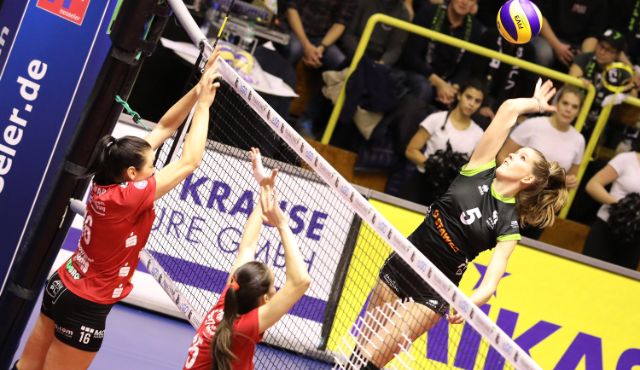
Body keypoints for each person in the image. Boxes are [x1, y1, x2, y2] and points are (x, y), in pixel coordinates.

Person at [14, 50, 223, 370]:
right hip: (85, 305)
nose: (154, 170)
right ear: (132, 174)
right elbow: (189, 161)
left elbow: (165, 127)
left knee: (27, 366)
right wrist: (205, 106)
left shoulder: (108, 178)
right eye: (151, 167)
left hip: (64, 284)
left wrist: (198, 89)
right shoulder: (129, 197)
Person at [351, 80, 568, 370]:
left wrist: (468, 303)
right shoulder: (478, 168)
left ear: (527, 180)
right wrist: (536, 105)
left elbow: (490, 283)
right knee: (357, 353)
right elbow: (507, 110)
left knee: (368, 360)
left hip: (433, 291)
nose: (513, 154)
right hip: (403, 262)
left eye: (522, 157)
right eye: (518, 151)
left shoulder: (508, 226)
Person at [182, 148, 311, 370]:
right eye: (273, 289)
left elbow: (248, 245)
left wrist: (265, 188)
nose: (275, 293)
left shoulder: (230, 299)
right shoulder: (244, 326)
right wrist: (282, 224)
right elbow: (300, 281)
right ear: (263, 300)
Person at [387, 80, 485, 204]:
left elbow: (474, 168)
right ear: (459, 95)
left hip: (448, 194)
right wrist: (435, 167)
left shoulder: (479, 134)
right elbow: (411, 150)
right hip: (421, 183)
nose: (471, 104)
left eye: (477, 101)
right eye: (468, 97)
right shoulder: (436, 119)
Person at [398, 0, 484, 107]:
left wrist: (454, 88)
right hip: (417, 74)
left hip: (448, 83)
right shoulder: (429, 12)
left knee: (464, 101)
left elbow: (465, 68)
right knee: (424, 88)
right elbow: (411, 56)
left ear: (475, 4)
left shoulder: (475, 28)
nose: (464, 2)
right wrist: (439, 83)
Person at [498, 85, 586, 190]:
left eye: (574, 106)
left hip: (547, 201)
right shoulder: (532, 125)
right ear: (556, 103)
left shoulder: (579, 140)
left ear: (579, 112)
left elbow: (571, 178)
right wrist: (519, 178)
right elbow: (502, 156)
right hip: (517, 190)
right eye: (565, 103)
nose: (568, 109)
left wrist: (569, 182)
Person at [582, 148, 640, 269]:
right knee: (587, 275)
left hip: (635, 237)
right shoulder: (626, 159)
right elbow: (593, 185)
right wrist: (622, 205)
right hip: (607, 227)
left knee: (621, 283)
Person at [569, 29, 628, 138]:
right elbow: (571, 80)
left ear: (617, 55)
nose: (602, 52)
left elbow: (632, 93)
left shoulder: (621, 73)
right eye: (601, 46)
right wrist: (580, 82)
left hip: (598, 124)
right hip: (573, 114)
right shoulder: (585, 58)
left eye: (609, 50)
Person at [531, 0, 608, 69]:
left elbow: (592, 35)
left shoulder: (600, 3)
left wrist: (583, 58)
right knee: (544, 54)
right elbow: (540, 17)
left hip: (577, 45)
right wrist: (557, 46)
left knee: (587, 62)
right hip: (547, 38)